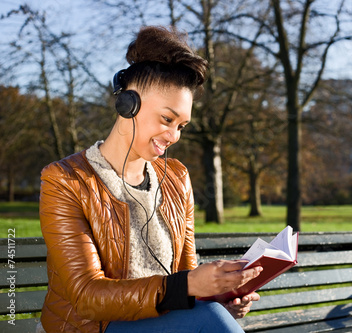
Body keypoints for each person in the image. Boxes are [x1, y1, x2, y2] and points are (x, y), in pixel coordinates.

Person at [38, 25, 262, 333]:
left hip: (162, 324)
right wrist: (187, 289)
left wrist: (219, 295)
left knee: (212, 313)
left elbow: (185, 276)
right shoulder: (65, 180)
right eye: (167, 119)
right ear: (128, 105)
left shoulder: (177, 177)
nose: (174, 136)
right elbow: (87, 297)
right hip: (96, 327)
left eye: (182, 125)